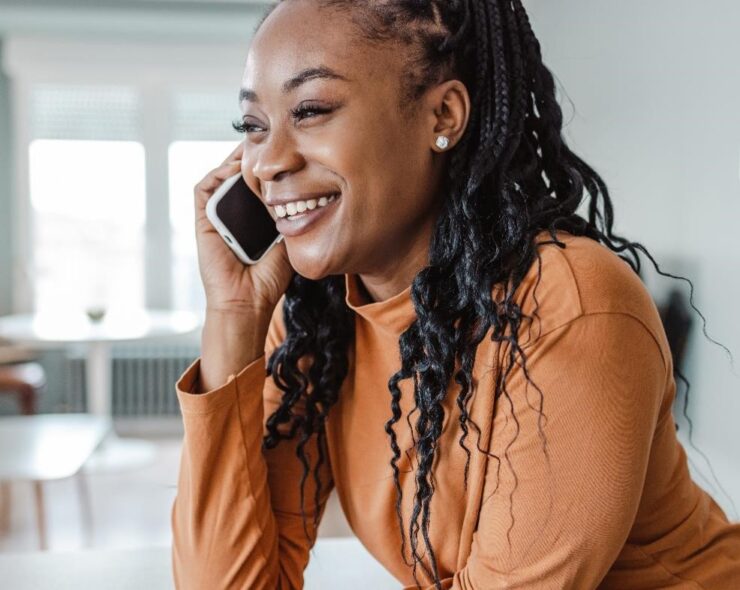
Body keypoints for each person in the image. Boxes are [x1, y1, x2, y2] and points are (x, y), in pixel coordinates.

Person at [170, 1, 740, 588]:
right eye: (253, 127)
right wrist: (233, 317)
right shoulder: (319, 321)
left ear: (442, 114)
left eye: (311, 110)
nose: (266, 164)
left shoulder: (571, 307)